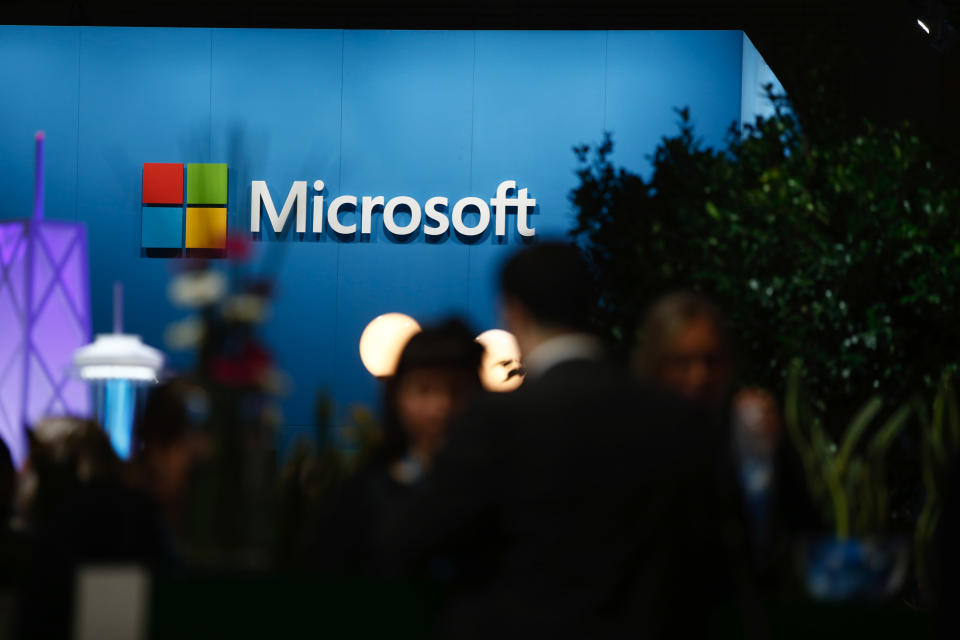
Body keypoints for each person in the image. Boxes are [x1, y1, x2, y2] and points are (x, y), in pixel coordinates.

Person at [378, 243, 741, 639]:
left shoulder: (497, 420)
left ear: (513, 310)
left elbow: (412, 543)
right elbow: (714, 558)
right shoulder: (675, 419)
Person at [633, 291, 820, 588]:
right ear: (654, 365)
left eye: (712, 361)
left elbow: (804, 527)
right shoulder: (628, 443)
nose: (699, 376)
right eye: (682, 362)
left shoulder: (752, 436)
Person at [317, 319, 484, 576]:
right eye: (424, 389)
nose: (442, 406)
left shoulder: (497, 489)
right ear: (397, 397)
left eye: (457, 390)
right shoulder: (365, 492)